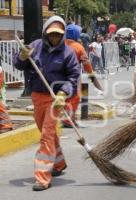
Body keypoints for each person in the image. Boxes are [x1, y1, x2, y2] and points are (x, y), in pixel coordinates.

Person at [13, 16, 80, 191]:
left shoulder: (68, 53)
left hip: (55, 98)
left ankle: (42, 177)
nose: (55, 38)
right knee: (45, 131)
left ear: (63, 34)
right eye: (52, 34)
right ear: (45, 33)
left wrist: (63, 92)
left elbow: (73, 78)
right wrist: (22, 56)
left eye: (58, 35)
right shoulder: (35, 46)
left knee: (46, 136)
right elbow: (19, 65)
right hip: (37, 96)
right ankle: (59, 163)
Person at [62, 23, 98, 128]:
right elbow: (86, 63)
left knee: (64, 97)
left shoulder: (61, 45)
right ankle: (68, 119)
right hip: (74, 76)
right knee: (75, 97)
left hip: (59, 76)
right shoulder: (78, 47)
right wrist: (91, 74)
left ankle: (69, 118)